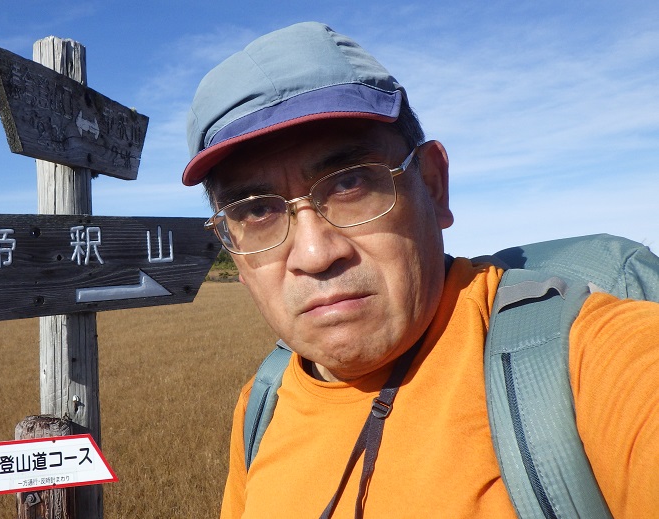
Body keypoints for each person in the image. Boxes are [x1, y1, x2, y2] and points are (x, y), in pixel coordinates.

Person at [180, 22, 659, 518]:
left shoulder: (591, 362)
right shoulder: (262, 405)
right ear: (234, 252)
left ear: (433, 185)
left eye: (349, 184)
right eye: (257, 211)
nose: (315, 254)